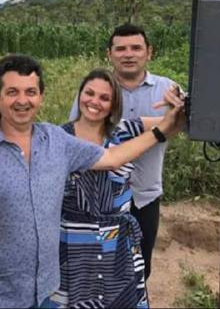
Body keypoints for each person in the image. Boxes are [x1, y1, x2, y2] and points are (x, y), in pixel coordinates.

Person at [0, 54, 184, 308]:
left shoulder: (56, 141)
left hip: (48, 291)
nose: (22, 100)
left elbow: (112, 158)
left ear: (41, 97)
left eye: (31, 92)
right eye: (12, 92)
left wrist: (166, 124)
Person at [54, 68, 178, 308]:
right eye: (89, 93)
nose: (94, 102)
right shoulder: (58, 137)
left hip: (118, 243)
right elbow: (110, 159)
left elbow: (173, 124)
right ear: (80, 95)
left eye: (105, 98)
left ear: (114, 105)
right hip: (73, 242)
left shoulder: (125, 130)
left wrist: (178, 104)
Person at [69, 24, 176, 281]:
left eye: (136, 48)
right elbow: (76, 135)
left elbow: (187, 122)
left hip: (144, 196)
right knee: (97, 268)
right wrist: (159, 124)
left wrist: (179, 113)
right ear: (110, 54)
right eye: (121, 49)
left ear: (149, 52)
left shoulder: (168, 89)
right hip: (100, 201)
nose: (128, 54)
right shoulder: (96, 91)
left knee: (140, 268)